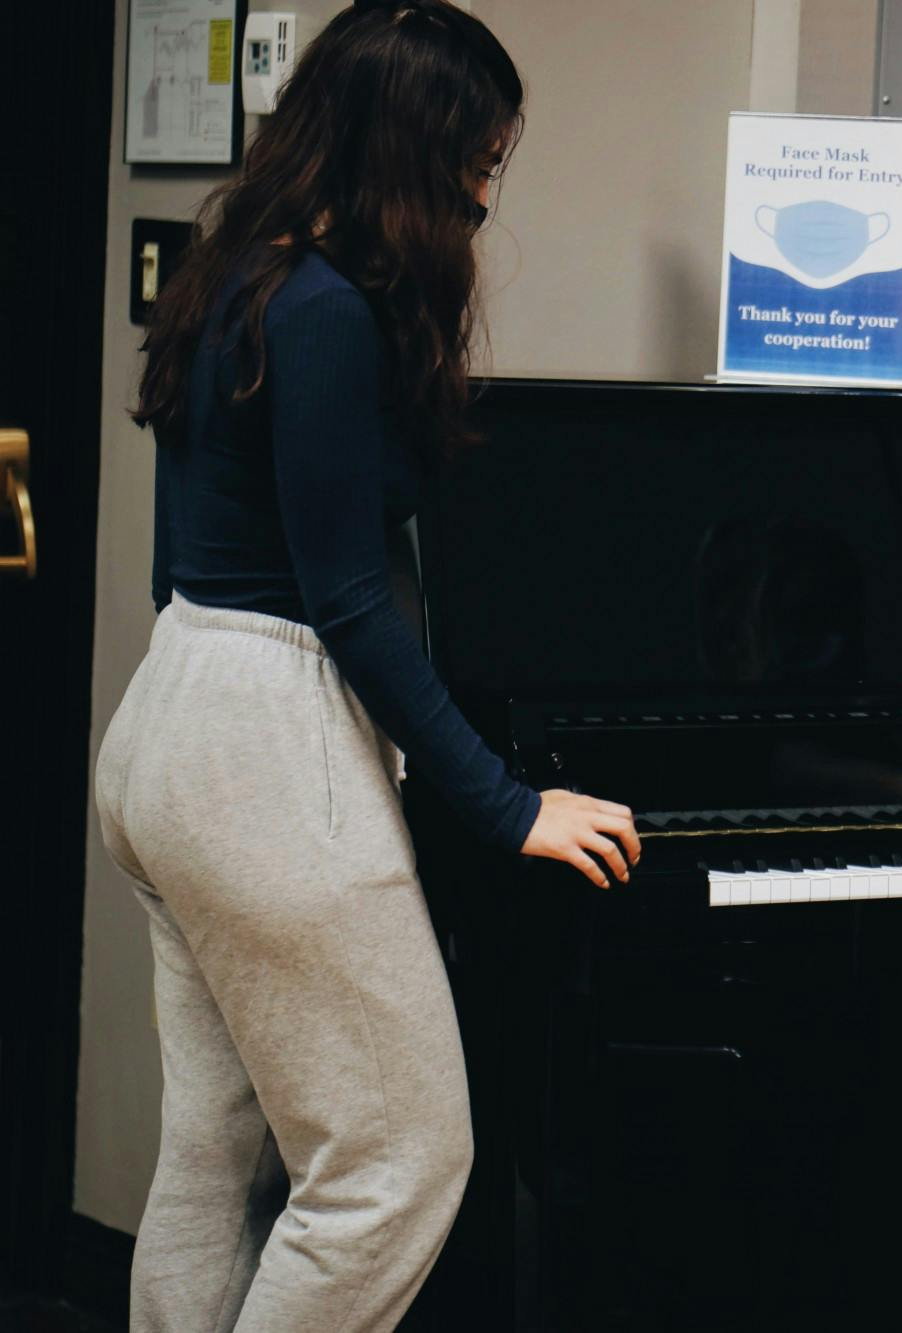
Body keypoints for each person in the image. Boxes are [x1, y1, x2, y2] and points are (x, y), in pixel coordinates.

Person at [94, 4, 638, 1329]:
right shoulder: (330, 311)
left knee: (215, 1157)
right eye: (481, 160)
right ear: (418, 149)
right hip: (264, 740)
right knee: (396, 1162)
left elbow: (187, 564)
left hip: (166, 717)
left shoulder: (236, 272)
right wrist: (506, 803)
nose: (484, 194)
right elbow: (348, 599)